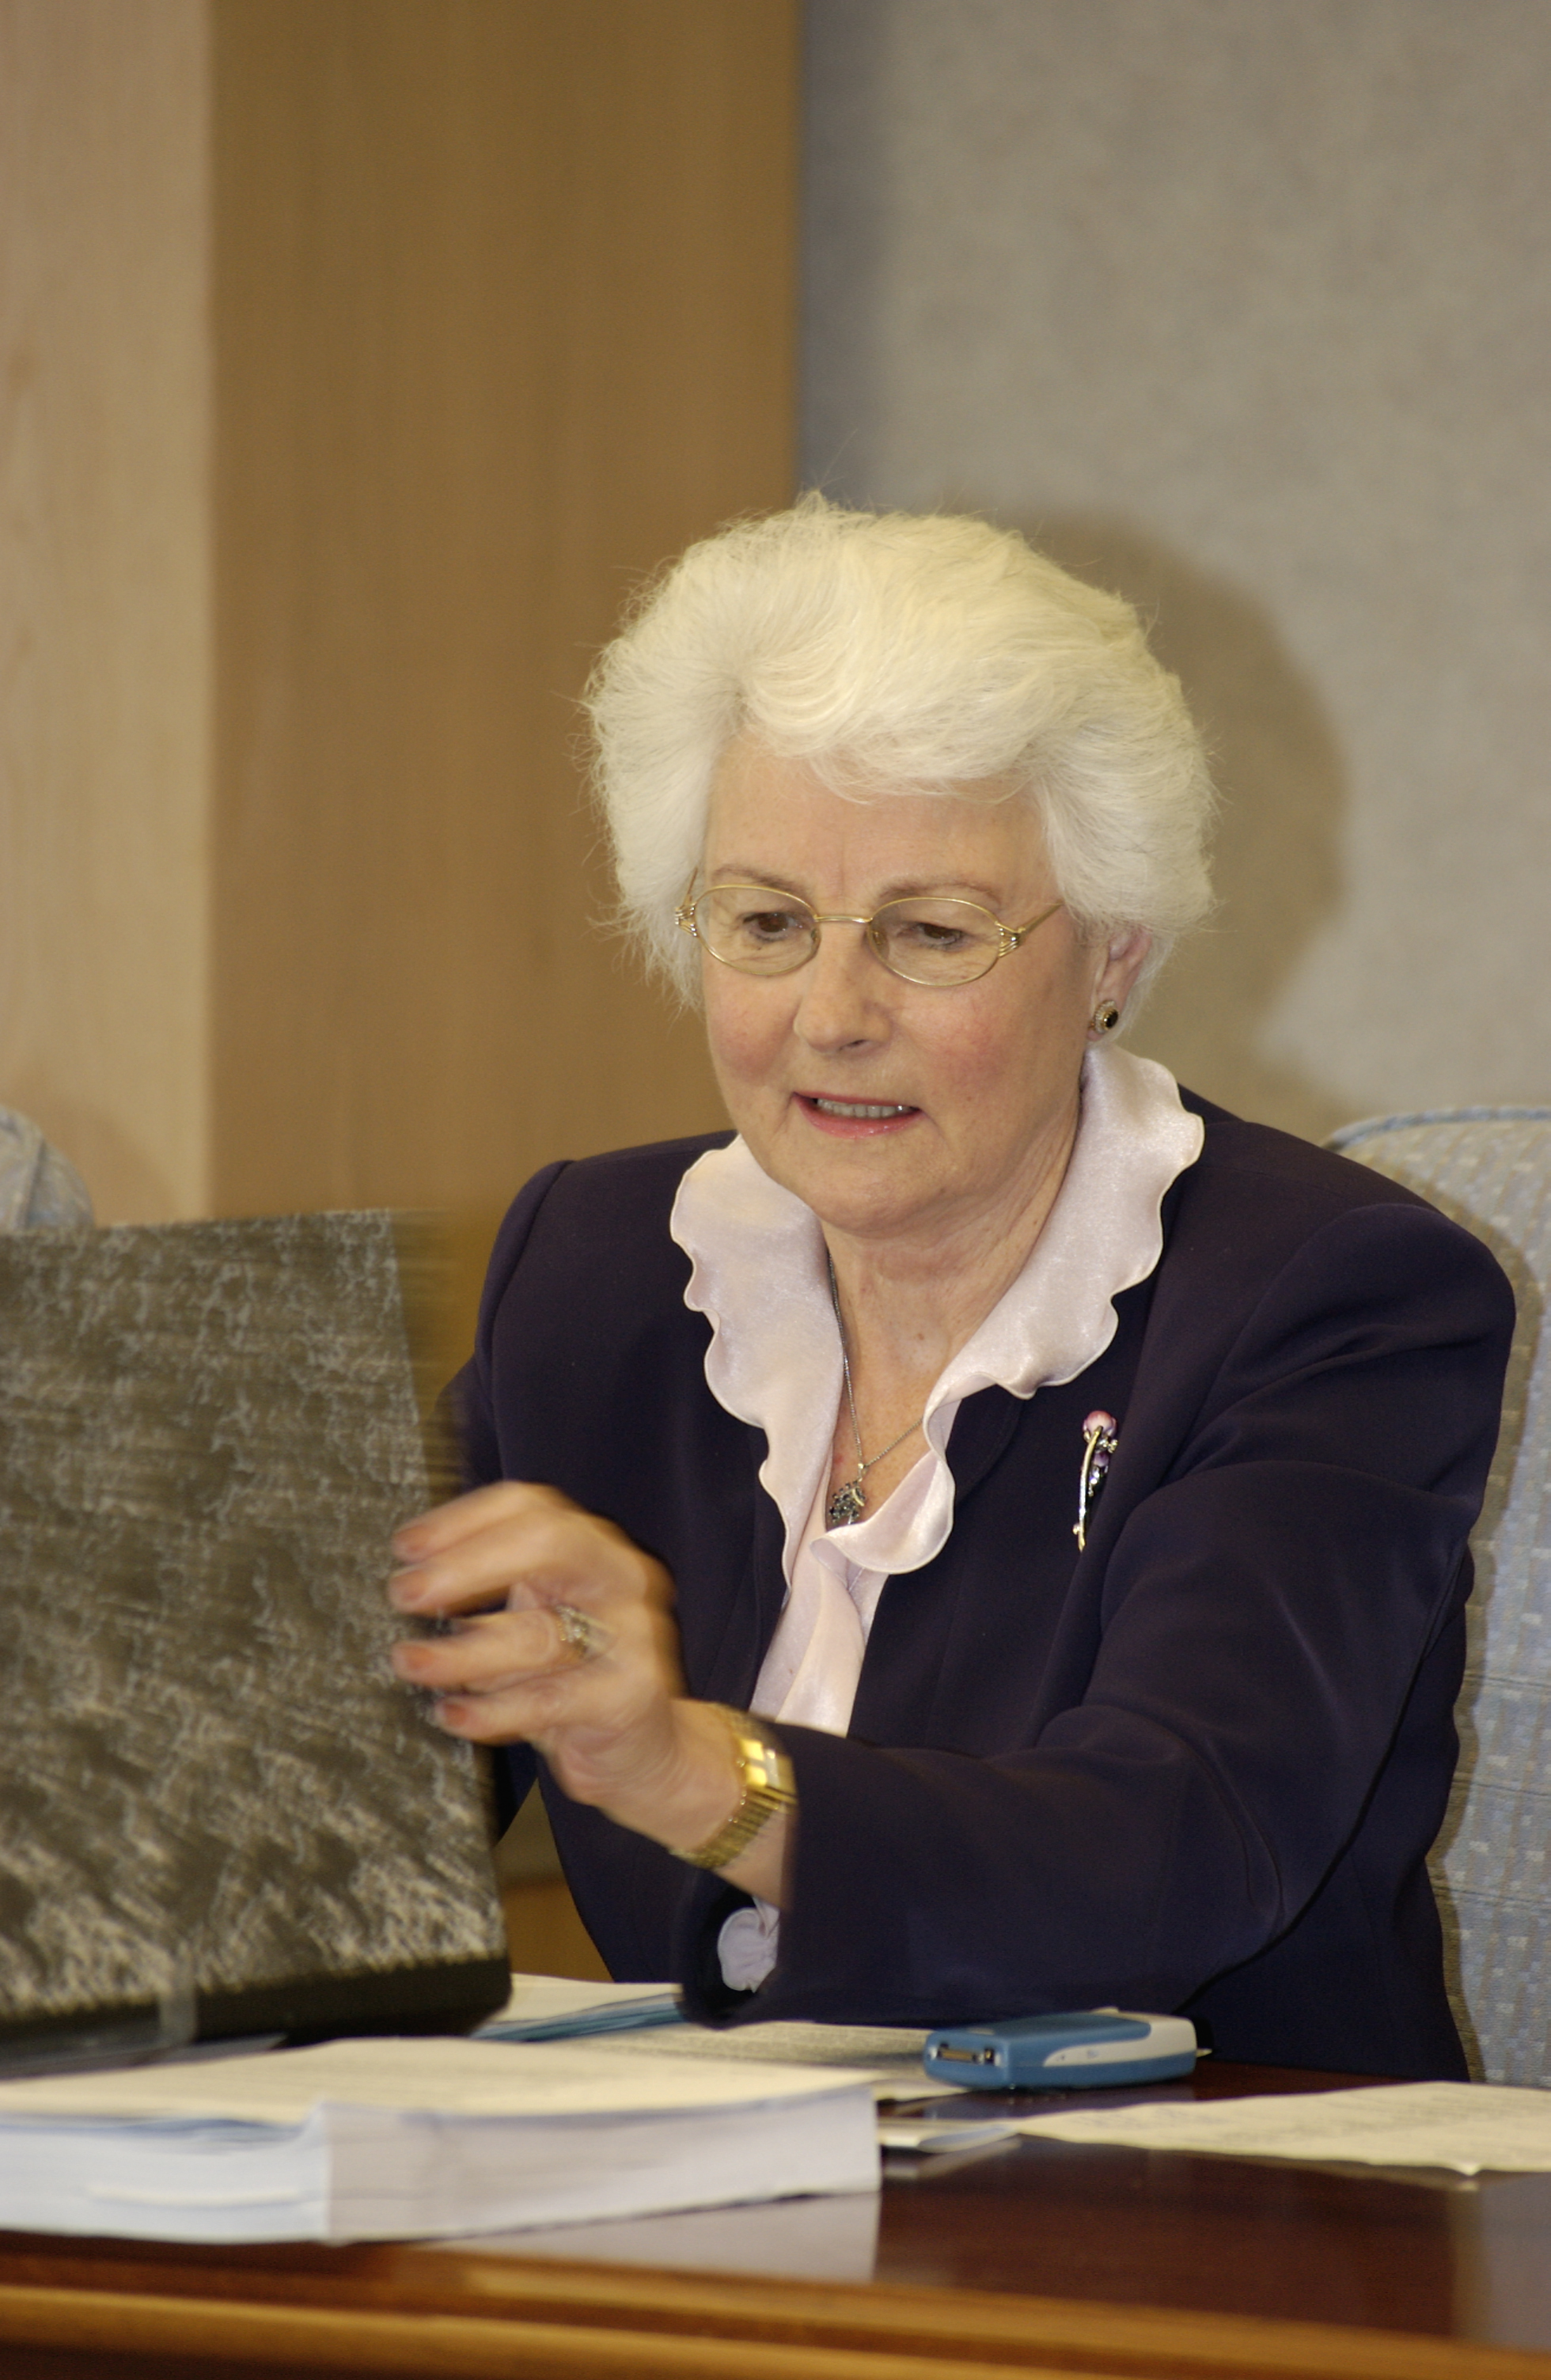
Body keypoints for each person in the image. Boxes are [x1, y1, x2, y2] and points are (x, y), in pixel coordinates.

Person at [388, 499, 1513, 2077]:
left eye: (929, 933)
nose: (831, 1014)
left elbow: (1174, 1850)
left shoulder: (1329, 1299)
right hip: (704, 2182)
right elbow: (345, 1786)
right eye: (766, 922)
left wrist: (696, 1771)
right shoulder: (600, 1269)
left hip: (1211, 2182)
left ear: (1113, 955)